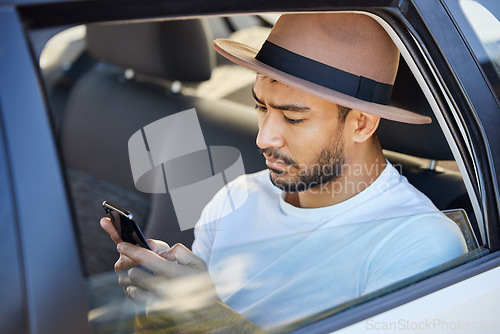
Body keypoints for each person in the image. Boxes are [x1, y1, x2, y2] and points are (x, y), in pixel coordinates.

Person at [101, 13, 468, 332]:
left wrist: (210, 317)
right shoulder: (235, 198)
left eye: (294, 117)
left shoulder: (418, 244)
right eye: (261, 107)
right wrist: (157, 304)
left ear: (362, 123)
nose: (264, 137)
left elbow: (209, 323)